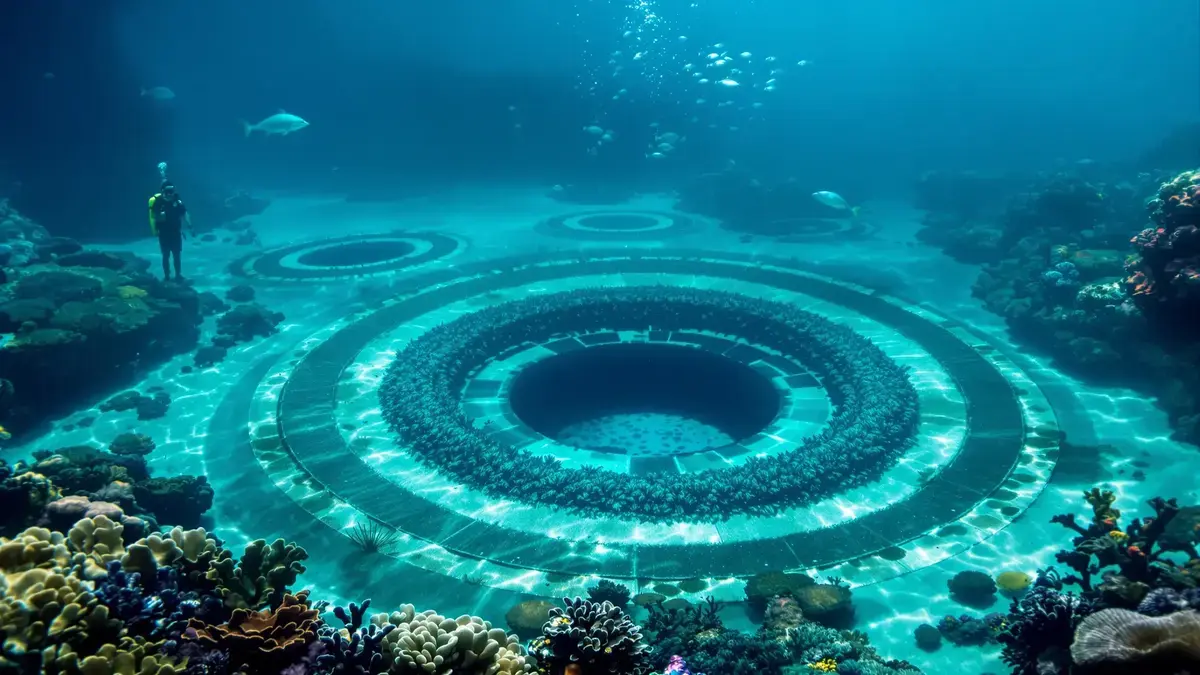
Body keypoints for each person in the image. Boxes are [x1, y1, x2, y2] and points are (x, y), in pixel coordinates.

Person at [148, 181, 195, 281]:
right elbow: (153, 217)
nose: (169, 194)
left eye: (171, 191)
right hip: (164, 233)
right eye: (167, 191)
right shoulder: (158, 202)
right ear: (162, 191)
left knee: (177, 254)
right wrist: (155, 229)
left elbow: (185, 213)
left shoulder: (177, 201)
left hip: (175, 232)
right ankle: (167, 277)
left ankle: (178, 275)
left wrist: (190, 226)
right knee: (166, 255)